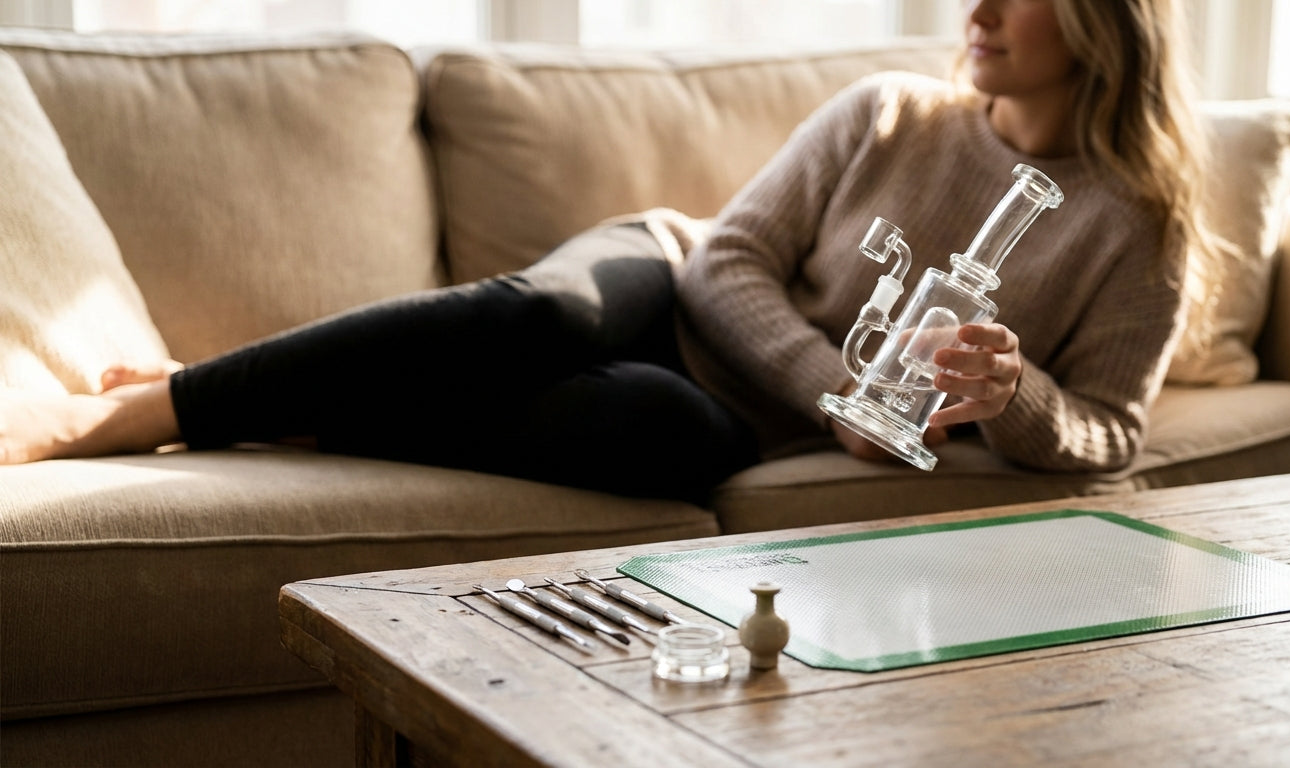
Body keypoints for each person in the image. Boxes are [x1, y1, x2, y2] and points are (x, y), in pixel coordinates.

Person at [0, 0, 1219, 503]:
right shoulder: (891, 112)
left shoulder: (1139, 224)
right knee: (545, 322)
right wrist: (830, 388)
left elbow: (1109, 427)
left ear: (1108, 18)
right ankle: (149, 408)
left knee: (661, 434)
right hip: (666, 278)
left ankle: (327, 410)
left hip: (743, 416)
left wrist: (1011, 403)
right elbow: (729, 259)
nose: (979, 9)